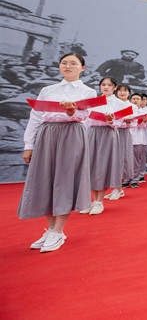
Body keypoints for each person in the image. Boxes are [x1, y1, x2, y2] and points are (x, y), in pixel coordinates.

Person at [19, 52, 96, 252]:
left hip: (72, 134)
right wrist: (29, 145)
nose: (68, 66)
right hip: (46, 135)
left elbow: (84, 116)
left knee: (64, 180)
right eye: (64, 63)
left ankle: (58, 231)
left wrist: (71, 112)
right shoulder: (47, 90)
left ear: (83, 68)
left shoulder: (88, 91)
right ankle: (51, 229)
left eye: (73, 63)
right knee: (45, 179)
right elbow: (35, 117)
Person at [82, 77, 121, 215]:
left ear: (115, 87)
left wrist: (111, 120)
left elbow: (119, 123)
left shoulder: (118, 103)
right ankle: (92, 201)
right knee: (91, 166)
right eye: (103, 85)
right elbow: (86, 120)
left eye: (109, 85)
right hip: (92, 133)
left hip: (108, 134)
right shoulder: (94, 102)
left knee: (103, 166)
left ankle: (99, 202)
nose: (106, 87)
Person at [106, 85, 136, 200]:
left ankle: (118, 189)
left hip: (123, 133)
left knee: (120, 160)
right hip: (111, 131)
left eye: (125, 91)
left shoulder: (132, 106)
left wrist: (126, 122)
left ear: (129, 93)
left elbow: (134, 123)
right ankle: (116, 189)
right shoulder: (113, 103)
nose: (122, 93)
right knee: (112, 160)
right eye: (120, 91)